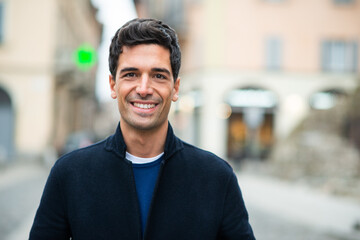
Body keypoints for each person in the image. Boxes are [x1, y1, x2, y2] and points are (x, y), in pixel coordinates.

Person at [29, 18, 256, 240]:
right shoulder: (69, 174)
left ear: (175, 88)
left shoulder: (216, 177)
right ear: (113, 85)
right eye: (131, 74)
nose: (144, 88)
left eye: (158, 76)